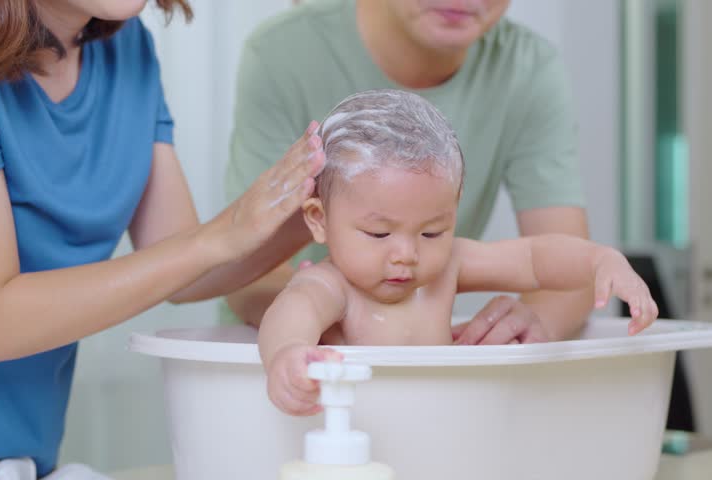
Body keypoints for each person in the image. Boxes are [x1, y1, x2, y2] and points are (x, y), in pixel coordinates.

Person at [0, 1, 324, 478]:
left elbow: (181, 264)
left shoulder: (127, 45)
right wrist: (220, 236)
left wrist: (316, 204)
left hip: (22, 462)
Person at [258, 89, 658, 416]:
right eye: (378, 234)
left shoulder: (449, 266)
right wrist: (289, 357)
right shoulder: (330, 285)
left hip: (449, 428)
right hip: (368, 435)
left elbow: (533, 259)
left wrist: (599, 261)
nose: (406, 254)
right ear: (318, 219)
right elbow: (293, 314)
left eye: (432, 232)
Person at [223, 0, 592, 346]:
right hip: (280, 366)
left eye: (431, 231)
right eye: (378, 232)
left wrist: (529, 328)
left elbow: (566, 273)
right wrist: (329, 318)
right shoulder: (285, 53)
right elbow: (243, 271)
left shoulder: (528, 69)